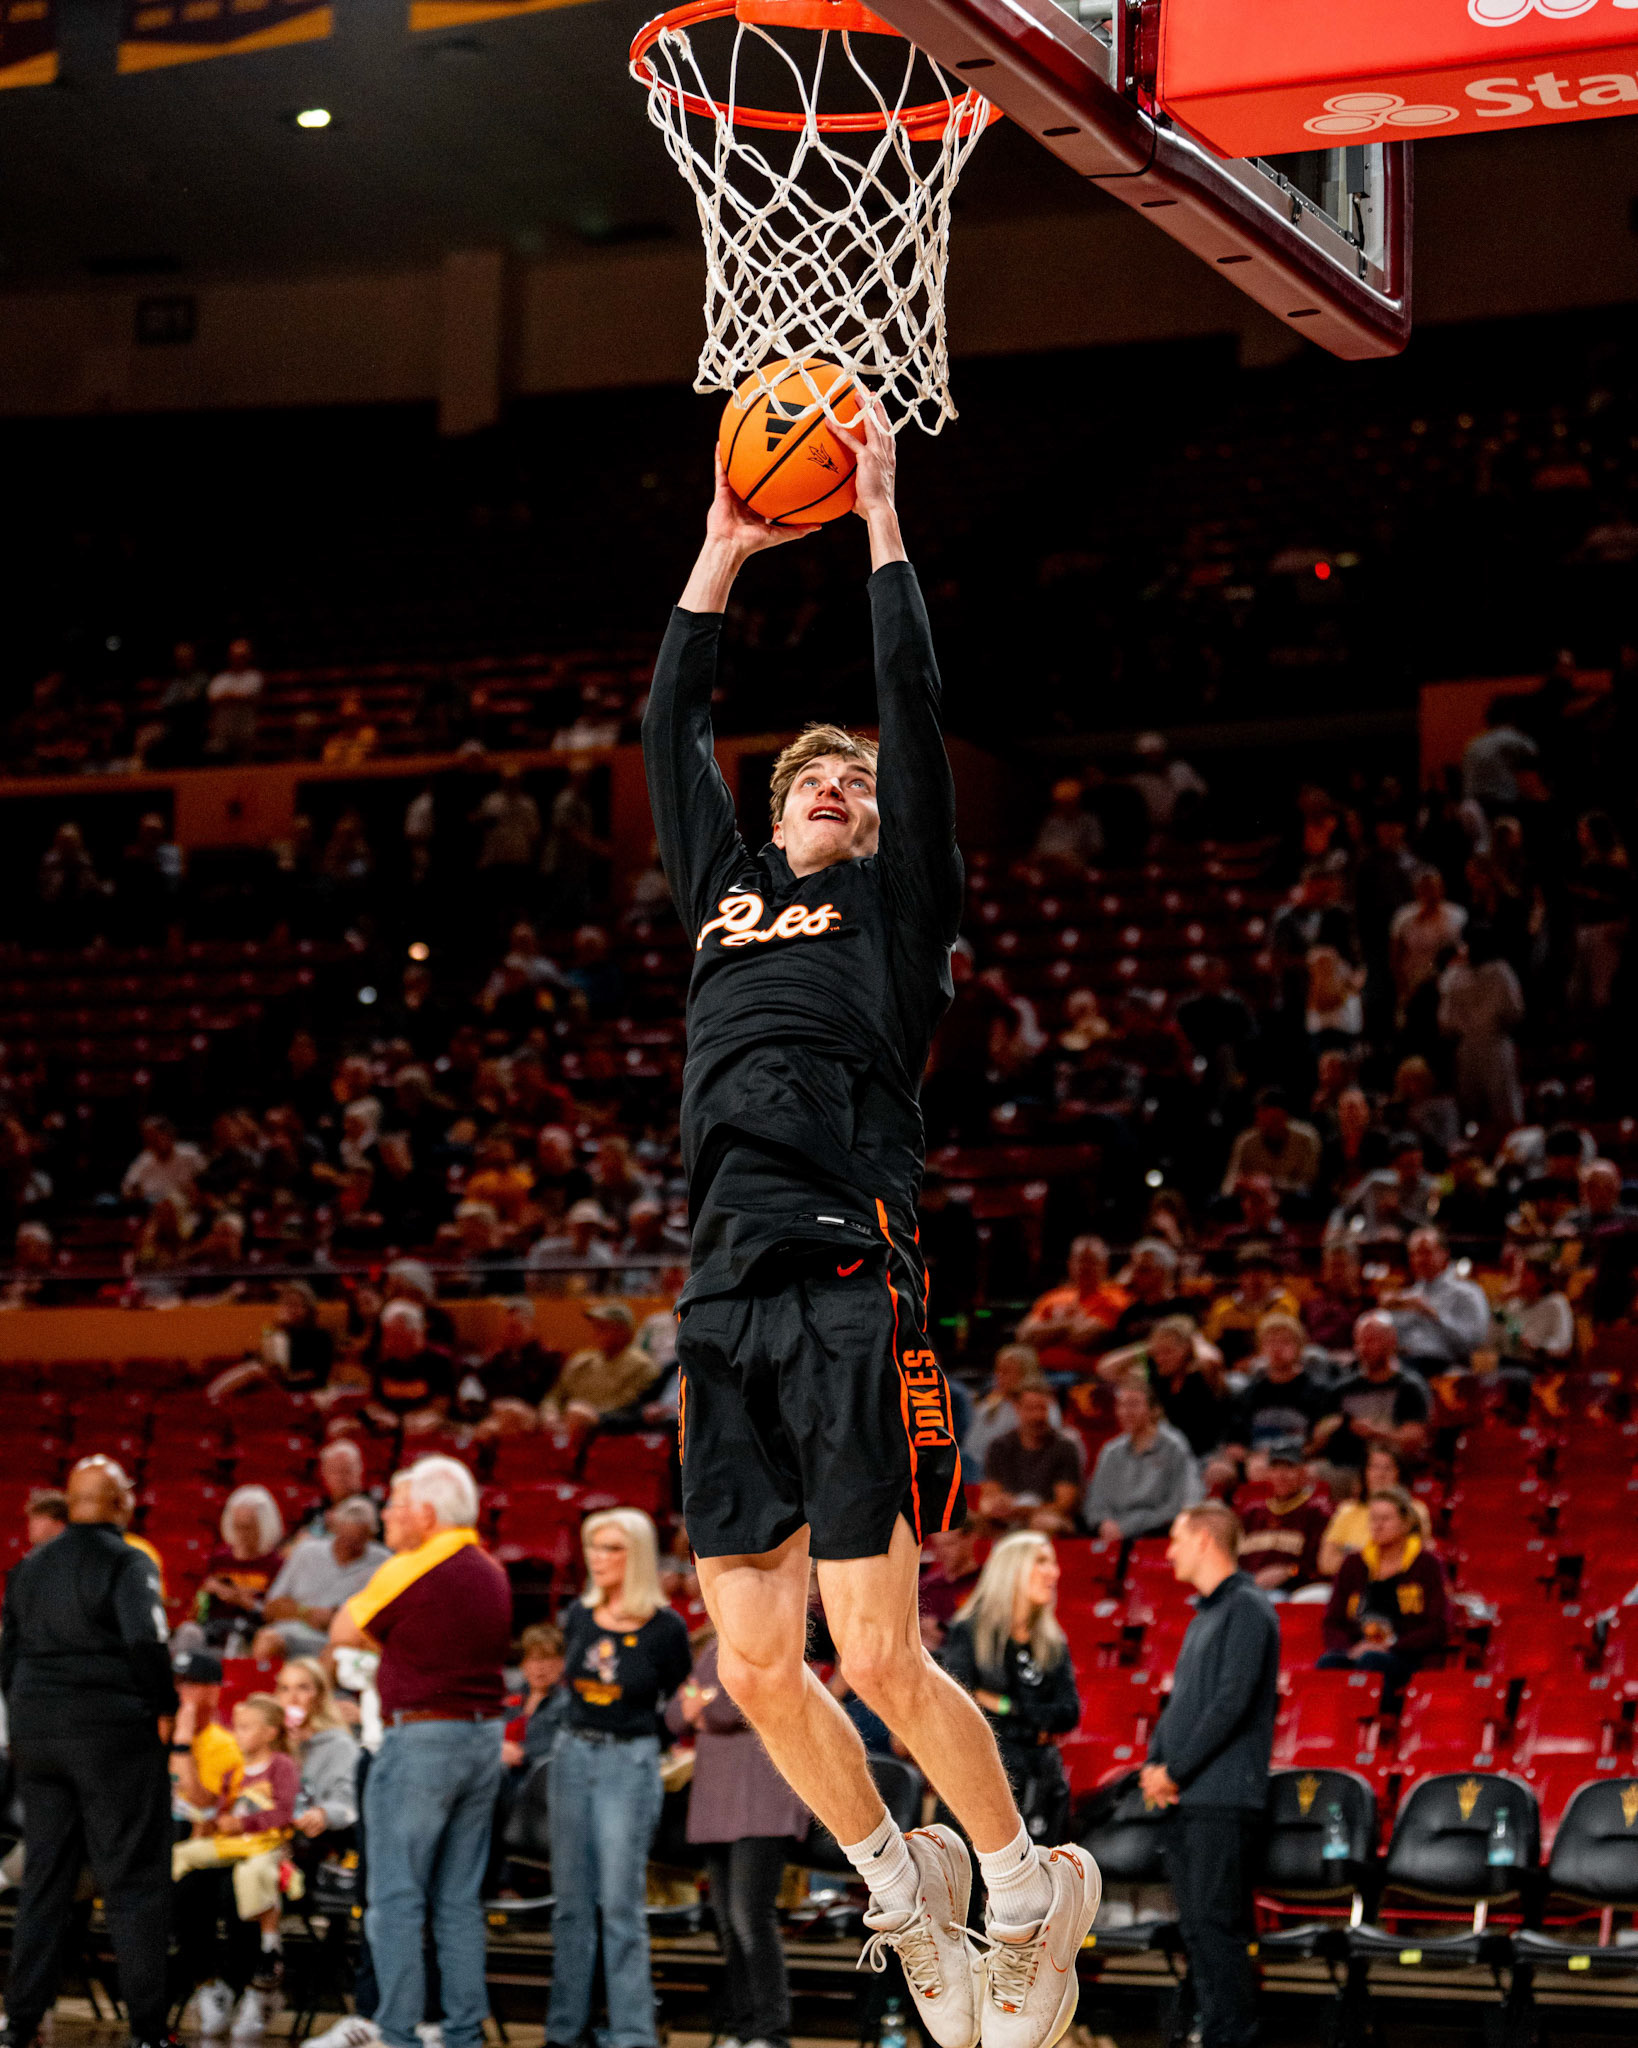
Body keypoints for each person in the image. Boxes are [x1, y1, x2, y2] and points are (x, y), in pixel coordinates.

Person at [645, 411, 1099, 2048]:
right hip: (719, 1291)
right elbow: (664, 725)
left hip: (847, 1270)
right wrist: (718, 544)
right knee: (758, 1669)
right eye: (814, 776)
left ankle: (1021, 1874)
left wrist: (883, 515)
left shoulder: (895, 913)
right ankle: (905, 1894)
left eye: (855, 782)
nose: (841, 782)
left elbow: (908, 703)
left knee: (879, 1645)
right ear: (777, 811)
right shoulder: (720, 889)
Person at [329, 1456, 513, 2048]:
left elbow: (339, 1630)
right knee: (458, 1901)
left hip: (422, 1743)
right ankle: (463, 2032)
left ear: (427, 1514)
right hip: (483, 1740)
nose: (386, 1513)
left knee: (395, 1899)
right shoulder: (491, 1569)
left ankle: (398, 2032)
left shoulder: (412, 1566)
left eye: (397, 1504)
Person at [0, 1456, 177, 2048]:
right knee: (132, 1879)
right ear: (122, 1503)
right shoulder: (130, 1561)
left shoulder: (26, 1568)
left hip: (36, 1736)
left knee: (45, 1881)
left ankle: (19, 2022)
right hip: (111, 1737)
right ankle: (149, 2032)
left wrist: (29, 1723)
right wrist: (163, 1706)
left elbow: (8, 1657)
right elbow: (145, 1641)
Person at [550, 1509, 692, 2048]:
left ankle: (634, 2035)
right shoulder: (579, 1616)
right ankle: (565, 2031)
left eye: (611, 1548)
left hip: (627, 1763)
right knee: (570, 1904)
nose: (598, 1558)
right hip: (571, 1754)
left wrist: (654, 1736)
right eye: (593, 1547)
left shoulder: (665, 1627)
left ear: (635, 1557)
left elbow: (683, 1699)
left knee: (620, 1904)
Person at [1140, 1504, 1278, 2048]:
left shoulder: (1247, 1609)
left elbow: (1230, 1704)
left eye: (1175, 1539)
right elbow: (1183, 1705)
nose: (1169, 1551)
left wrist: (1173, 1769)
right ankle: (1210, 2031)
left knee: (1217, 1928)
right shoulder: (1208, 1613)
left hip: (1221, 1797)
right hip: (1191, 1795)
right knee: (1198, 1929)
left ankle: (1231, 2038)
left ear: (1203, 1539)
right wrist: (1155, 1765)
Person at [666, 1625, 810, 2048]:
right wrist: (700, 1706)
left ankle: (772, 2030)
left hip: (762, 1802)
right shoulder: (711, 1648)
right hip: (716, 1804)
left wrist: (702, 1706)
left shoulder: (771, 1643)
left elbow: (742, 1707)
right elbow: (675, 1715)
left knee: (751, 1917)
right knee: (728, 1923)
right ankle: (744, 2027)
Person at [172, 1692, 301, 2034]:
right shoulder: (235, 1769)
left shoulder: (282, 1766)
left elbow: (284, 1811)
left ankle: (246, 1984)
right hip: (228, 1847)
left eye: (245, 1728)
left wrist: (244, 1824)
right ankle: (206, 1982)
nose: (237, 1734)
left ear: (271, 1732)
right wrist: (211, 1818)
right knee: (183, 1879)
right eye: (237, 1727)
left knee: (241, 1889)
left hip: (264, 1848)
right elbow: (224, 1808)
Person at [940, 1534, 1080, 1847]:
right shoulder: (969, 1632)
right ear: (1011, 1570)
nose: (1054, 1573)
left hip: (1040, 1779)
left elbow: (1069, 1713)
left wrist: (1006, 1706)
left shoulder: (1053, 1642)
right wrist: (1035, 1719)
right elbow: (960, 1705)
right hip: (981, 1779)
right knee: (973, 1891)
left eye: (1053, 1563)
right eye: (1041, 1561)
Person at [1319, 1486, 1450, 1694]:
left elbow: (1438, 1627)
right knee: (1329, 1662)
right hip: (1360, 1651)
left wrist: (1391, 1647)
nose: (1377, 1526)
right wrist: (1348, 1649)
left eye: (1385, 1519)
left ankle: (1367, 1721)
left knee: (1373, 1661)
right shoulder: (1353, 1564)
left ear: (1406, 1523)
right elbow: (1333, 1621)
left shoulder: (1427, 1564)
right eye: (1373, 1519)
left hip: (1408, 1656)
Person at [252, 1497, 389, 1660]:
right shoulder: (306, 1551)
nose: (349, 1547)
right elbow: (271, 1608)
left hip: (343, 1641)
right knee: (267, 1640)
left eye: (357, 1541)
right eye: (344, 1539)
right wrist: (306, 1613)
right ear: (335, 1528)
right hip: (294, 1631)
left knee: (336, 1654)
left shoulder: (383, 1561)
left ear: (370, 1535)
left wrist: (335, 1619)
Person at [1083, 1376, 1202, 1542]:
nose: (1125, 1412)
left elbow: (1182, 1502)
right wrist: (1104, 1523)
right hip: (1112, 1535)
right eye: (1121, 1405)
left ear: (1154, 1410)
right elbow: (1095, 1501)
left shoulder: (1174, 1447)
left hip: (1156, 1535)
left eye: (1133, 1404)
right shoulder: (1111, 1451)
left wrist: (1128, 1527)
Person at [176, 1485, 287, 1654]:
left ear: (264, 1526)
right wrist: (208, 1590)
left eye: (248, 1527)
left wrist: (240, 1599)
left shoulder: (276, 1564)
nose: (241, 1534)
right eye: (237, 1526)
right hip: (214, 1629)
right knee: (187, 1632)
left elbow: (276, 1613)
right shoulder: (219, 1559)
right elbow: (198, 1608)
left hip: (252, 1633)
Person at [1315, 1312, 1432, 1470]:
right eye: (1359, 1342)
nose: (1363, 1348)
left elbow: (1415, 1439)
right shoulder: (1341, 1389)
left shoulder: (1409, 1387)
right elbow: (1318, 1437)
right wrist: (1328, 1429)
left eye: (1371, 1341)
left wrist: (1376, 1433)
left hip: (1393, 1466)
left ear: (1391, 1341)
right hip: (1346, 1464)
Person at [1380, 1226, 1493, 1376]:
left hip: (1443, 1364)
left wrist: (1433, 1315)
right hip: (1404, 1361)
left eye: (1426, 1252)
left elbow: (1473, 1342)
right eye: (1414, 1254)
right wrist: (1385, 1314)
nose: (1419, 1259)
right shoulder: (1406, 1296)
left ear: (1444, 1253)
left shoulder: (1467, 1293)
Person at [978, 1385, 1082, 1535]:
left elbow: (1064, 1505)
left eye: (1042, 1409)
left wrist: (1025, 1510)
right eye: (1030, 1409)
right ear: (1017, 1409)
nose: (1037, 1416)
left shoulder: (1064, 1447)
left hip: (1048, 1516)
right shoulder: (999, 1446)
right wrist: (999, 1505)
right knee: (970, 1521)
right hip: (1009, 1516)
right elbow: (990, 1495)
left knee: (1044, 1522)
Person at [1015, 1235, 1128, 1370]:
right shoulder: (1052, 1297)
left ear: (1105, 1265)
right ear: (1070, 1263)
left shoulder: (1116, 1298)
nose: (1085, 1267)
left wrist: (1046, 1332)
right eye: (1080, 1260)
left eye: (1091, 1261)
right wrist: (1070, 1324)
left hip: (1082, 1376)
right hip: (1039, 1372)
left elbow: (1082, 1339)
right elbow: (1024, 1336)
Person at [1317, 1445, 1431, 1577]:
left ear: (1399, 1473)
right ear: (1364, 1472)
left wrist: (1356, 1555)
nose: (1380, 1474)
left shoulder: (1415, 1509)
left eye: (1388, 1468)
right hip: (1351, 1582)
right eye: (1374, 1467)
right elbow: (1326, 1564)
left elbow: (1418, 1560)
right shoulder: (1346, 1510)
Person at [1236, 1450, 1329, 1593]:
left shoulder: (1318, 1511)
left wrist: (1290, 1571)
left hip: (1295, 1589)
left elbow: (1319, 1565)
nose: (1281, 1475)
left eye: (1289, 1467)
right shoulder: (1252, 1513)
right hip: (1248, 1589)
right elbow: (1236, 1560)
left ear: (1303, 1472)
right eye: (1275, 1468)